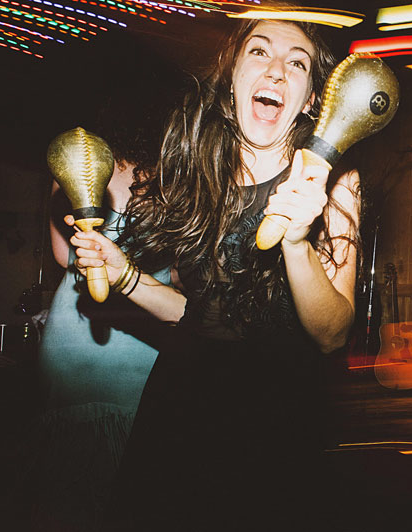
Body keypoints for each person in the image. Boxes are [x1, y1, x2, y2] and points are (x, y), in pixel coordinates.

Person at [67, 17, 360, 531]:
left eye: (297, 62)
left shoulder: (334, 183)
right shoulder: (199, 171)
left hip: (276, 413)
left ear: (312, 97)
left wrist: (296, 244)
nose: (275, 71)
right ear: (232, 75)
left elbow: (333, 334)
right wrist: (124, 274)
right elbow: (196, 314)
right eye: (259, 52)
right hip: (182, 402)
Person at [24, 111, 172, 531]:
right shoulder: (175, 180)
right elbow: (182, 275)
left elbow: (62, 256)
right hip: (143, 336)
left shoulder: (70, 168)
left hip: (73, 340)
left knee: (66, 498)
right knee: (134, 497)